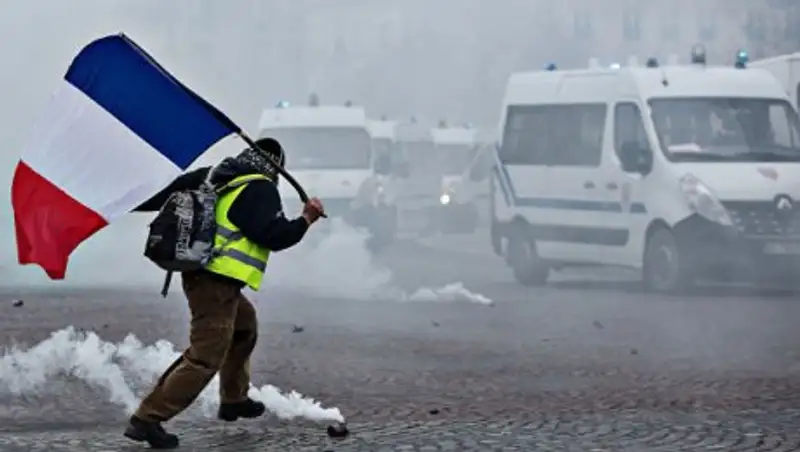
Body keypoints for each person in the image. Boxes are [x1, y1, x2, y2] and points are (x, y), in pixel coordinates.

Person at [123, 137, 325, 449]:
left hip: (209, 278)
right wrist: (306, 219)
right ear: (277, 167)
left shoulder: (214, 174)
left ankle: (234, 399)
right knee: (205, 357)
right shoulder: (259, 187)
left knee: (244, 328)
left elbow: (161, 196)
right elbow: (274, 235)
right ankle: (147, 419)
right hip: (214, 283)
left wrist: (121, 202)